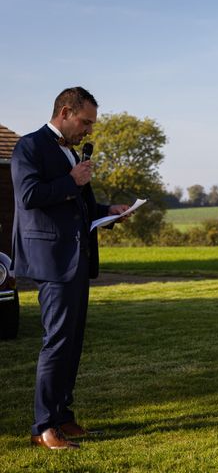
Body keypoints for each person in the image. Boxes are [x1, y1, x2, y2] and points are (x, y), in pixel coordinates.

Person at [11, 87, 130, 449]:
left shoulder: (72, 152)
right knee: (57, 342)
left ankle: (63, 417)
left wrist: (107, 212)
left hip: (77, 260)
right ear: (65, 112)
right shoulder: (29, 147)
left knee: (73, 342)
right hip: (52, 261)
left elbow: (78, 207)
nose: (89, 130)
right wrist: (72, 181)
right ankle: (42, 427)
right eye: (85, 122)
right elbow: (28, 196)